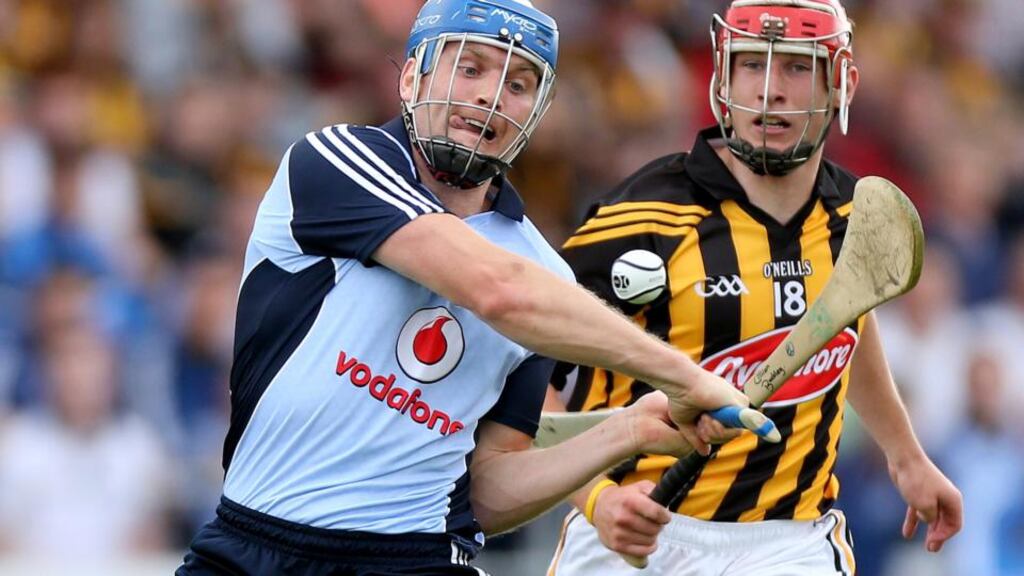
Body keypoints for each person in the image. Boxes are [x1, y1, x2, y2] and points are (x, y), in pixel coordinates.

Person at [177, 1, 775, 575]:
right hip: (255, 542)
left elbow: (486, 491)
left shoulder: (545, 272)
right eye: (471, 67)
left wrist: (626, 433)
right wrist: (685, 375)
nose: (491, 95)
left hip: (418, 559)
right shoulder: (333, 162)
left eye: (519, 83)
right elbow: (497, 292)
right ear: (412, 76)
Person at [546, 1, 963, 575]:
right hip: (635, 534)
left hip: (786, 539)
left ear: (842, 83)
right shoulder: (640, 218)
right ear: (722, 76)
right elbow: (525, 375)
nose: (770, 89)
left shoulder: (852, 214)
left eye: (795, 67)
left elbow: (842, 322)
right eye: (751, 65)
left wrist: (906, 456)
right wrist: (594, 498)